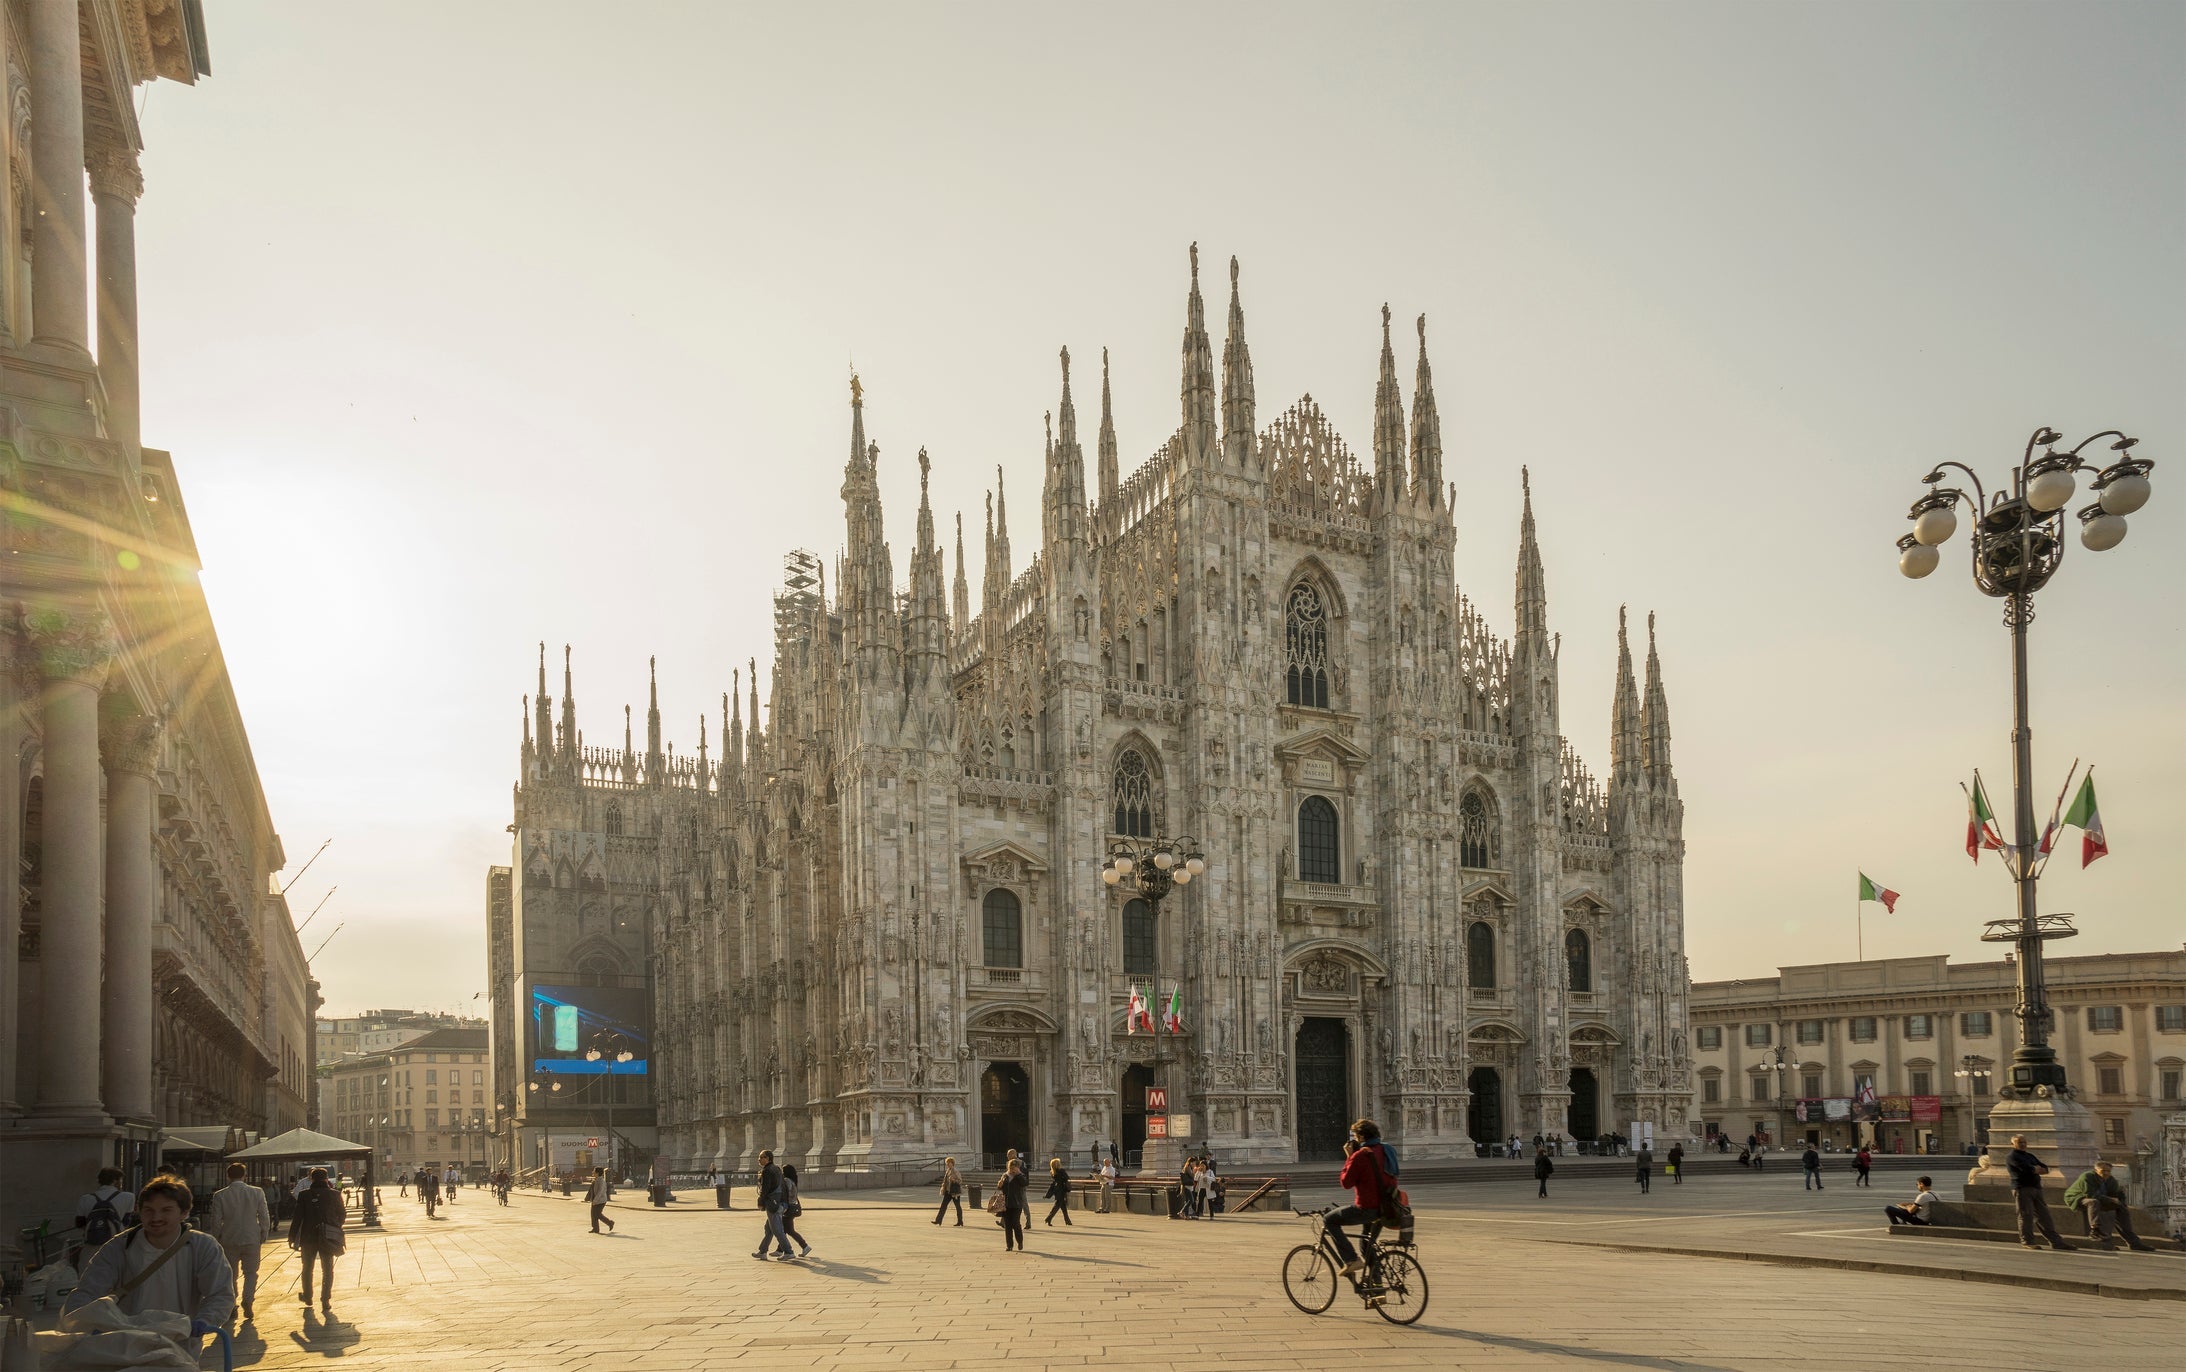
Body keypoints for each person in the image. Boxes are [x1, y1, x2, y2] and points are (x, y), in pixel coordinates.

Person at [66, 1175, 233, 1355]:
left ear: (184, 1213)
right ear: (139, 1211)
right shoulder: (120, 1246)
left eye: (166, 1210)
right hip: (126, 1347)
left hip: (181, 1347)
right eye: (149, 1210)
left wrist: (205, 1321)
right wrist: (83, 1321)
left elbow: (220, 1294)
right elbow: (88, 1290)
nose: (156, 1217)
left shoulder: (203, 1246)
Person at [1322, 1119, 1394, 1279]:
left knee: (1329, 1220)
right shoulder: (1387, 1150)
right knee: (1366, 1244)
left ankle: (1351, 1259)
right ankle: (1377, 1287)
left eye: (1355, 1135)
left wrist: (1349, 1157)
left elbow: (1346, 1183)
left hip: (1367, 1208)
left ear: (1361, 1137)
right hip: (1387, 1207)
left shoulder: (1361, 1155)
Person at [205, 1163, 272, 1323]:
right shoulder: (257, 1192)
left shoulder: (220, 1195)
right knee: (251, 1272)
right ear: (245, 1175)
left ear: (228, 1176)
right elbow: (264, 1214)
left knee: (230, 1275)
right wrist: (264, 1232)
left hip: (229, 1238)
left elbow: (215, 1219)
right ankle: (248, 1299)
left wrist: (217, 1236)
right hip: (251, 1237)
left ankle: (232, 1306)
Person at [2002, 1134, 2075, 1251]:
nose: (2023, 1144)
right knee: (2026, 1216)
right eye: (2019, 1142)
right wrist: (2035, 1169)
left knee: (2044, 1216)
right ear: (2012, 1144)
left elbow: (2045, 1168)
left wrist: (2036, 1169)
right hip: (2022, 1188)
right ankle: (2027, 1241)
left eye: (2024, 1142)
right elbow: (2027, 1169)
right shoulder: (2012, 1156)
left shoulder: (2030, 1156)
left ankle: (2056, 1242)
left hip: (2036, 1188)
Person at [289, 1168, 346, 1314]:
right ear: (326, 1179)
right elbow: (342, 1215)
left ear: (311, 1179)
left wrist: (292, 1236)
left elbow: (297, 1217)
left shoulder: (304, 1195)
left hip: (308, 1237)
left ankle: (308, 1296)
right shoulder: (335, 1194)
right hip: (328, 1236)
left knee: (307, 1267)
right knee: (327, 1269)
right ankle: (325, 1299)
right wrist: (334, 1226)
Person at [2063, 1160, 2153, 1251]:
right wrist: (2110, 1199)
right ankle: (2095, 1230)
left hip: (2099, 1200)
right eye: (2103, 1171)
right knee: (2093, 1202)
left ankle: (2133, 1242)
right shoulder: (2087, 1177)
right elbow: (2090, 1194)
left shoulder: (2111, 1180)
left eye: (2108, 1171)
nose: (2106, 1173)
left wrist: (2121, 1203)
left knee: (2121, 1208)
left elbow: (2118, 1194)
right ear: (2096, 1170)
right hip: (2077, 1198)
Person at [73, 1167, 137, 1268]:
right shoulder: (129, 1197)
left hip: (91, 1246)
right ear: (116, 1180)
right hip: (116, 1245)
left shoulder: (85, 1199)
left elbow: (79, 1224)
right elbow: (126, 1222)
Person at [752, 1150, 792, 1259]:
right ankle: (763, 1252)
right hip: (780, 1202)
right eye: (759, 1157)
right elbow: (783, 1186)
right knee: (769, 1229)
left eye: (762, 1157)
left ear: (768, 1158)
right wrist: (785, 1203)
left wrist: (761, 1201)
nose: (759, 1159)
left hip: (774, 1204)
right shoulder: (777, 1168)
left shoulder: (767, 1170)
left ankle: (789, 1252)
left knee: (777, 1230)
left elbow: (766, 1189)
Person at [776, 1164, 812, 1258]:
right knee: (785, 1229)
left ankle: (804, 1246)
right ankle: (780, 1249)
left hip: (788, 1207)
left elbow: (785, 1193)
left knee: (789, 1230)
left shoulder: (787, 1181)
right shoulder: (792, 1180)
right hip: (792, 1206)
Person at [998, 1158, 1029, 1252]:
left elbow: (1025, 1183)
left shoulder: (1020, 1176)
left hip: (1017, 1204)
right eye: (1011, 1168)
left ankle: (1020, 1241)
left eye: (1014, 1168)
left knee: (1016, 1223)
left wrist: (1019, 1174)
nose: (1012, 1170)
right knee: (1007, 1225)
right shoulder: (1005, 1176)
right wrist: (1000, 1184)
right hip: (1006, 1204)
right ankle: (1009, 1245)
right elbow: (1000, 1188)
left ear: (1017, 1168)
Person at [934, 1157, 965, 1225]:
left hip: (954, 1192)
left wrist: (954, 1180)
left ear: (952, 1163)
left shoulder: (955, 1171)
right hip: (948, 1191)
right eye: (947, 1163)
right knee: (943, 1206)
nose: (947, 1164)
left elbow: (960, 1181)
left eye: (949, 1163)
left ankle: (960, 1221)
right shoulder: (948, 1170)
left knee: (957, 1206)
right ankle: (938, 1220)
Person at [1044, 1158, 1075, 1227]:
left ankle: (1067, 1221)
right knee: (1057, 1205)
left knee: (1063, 1206)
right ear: (1058, 1164)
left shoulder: (1053, 1172)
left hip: (1057, 1189)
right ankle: (1048, 1218)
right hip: (1061, 1189)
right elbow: (1067, 1178)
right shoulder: (1061, 1171)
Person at [586, 1166, 616, 1234]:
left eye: (594, 1171)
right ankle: (595, 1228)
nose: (593, 1172)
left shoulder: (601, 1181)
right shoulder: (596, 1180)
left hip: (601, 1201)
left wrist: (595, 1201)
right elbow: (591, 1190)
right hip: (595, 1200)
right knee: (593, 1214)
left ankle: (610, 1223)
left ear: (597, 1173)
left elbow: (600, 1192)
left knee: (597, 1214)